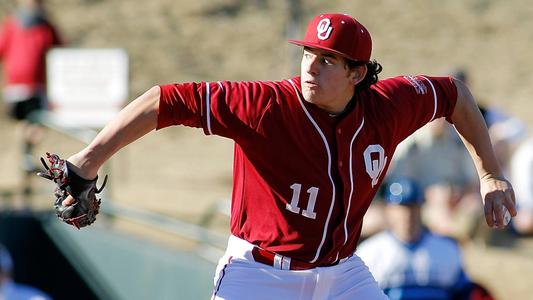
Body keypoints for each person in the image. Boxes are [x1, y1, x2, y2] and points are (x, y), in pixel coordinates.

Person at [55, 13, 515, 299]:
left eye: (327, 60)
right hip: (258, 275)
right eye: (307, 54)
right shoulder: (268, 105)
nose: (309, 68)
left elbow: (454, 94)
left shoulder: (388, 108)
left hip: (342, 275)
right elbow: (165, 101)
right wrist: (89, 158)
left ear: (358, 73)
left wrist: (490, 174)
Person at [356, 179, 481, 300]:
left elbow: (464, 292)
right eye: (401, 207)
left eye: (412, 206)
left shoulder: (447, 249)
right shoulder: (369, 252)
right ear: (389, 209)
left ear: (421, 208)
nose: (407, 214)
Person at [0, 0, 62, 183]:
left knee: (37, 126)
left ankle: (26, 158)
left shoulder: (46, 27)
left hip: (38, 88)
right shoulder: (11, 26)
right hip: (16, 88)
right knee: (23, 126)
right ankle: (23, 161)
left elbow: (59, 53)